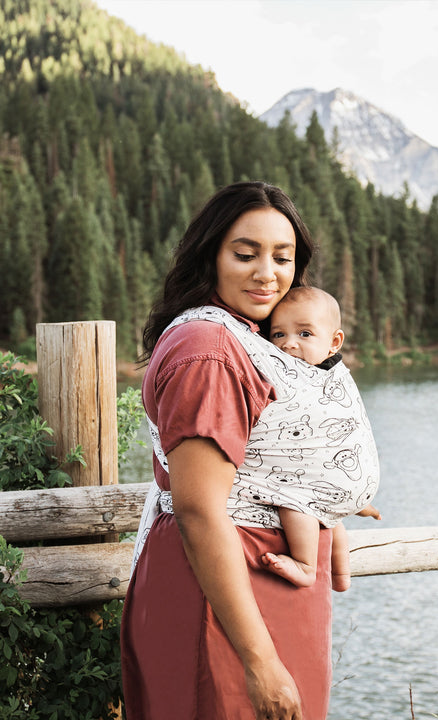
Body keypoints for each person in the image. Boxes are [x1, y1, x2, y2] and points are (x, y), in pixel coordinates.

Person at [122, 182, 348, 720]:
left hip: (248, 584)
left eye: (283, 257)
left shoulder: (244, 336)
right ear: (211, 255)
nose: (266, 272)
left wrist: (326, 507)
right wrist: (261, 661)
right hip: (231, 596)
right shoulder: (211, 350)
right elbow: (201, 507)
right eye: (245, 254)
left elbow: (271, 457)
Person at [260, 286, 381, 592]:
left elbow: (349, 428)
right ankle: (340, 576)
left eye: (304, 334)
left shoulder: (327, 379)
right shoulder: (323, 372)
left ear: (334, 342)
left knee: (296, 503)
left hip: (326, 482)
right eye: (278, 335)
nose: (289, 344)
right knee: (330, 521)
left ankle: (306, 565)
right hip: (337, 483)